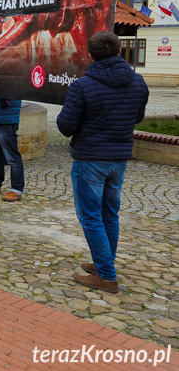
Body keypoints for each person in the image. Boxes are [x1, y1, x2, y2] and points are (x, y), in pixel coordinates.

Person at [57, 32, 148, 294]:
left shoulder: (82, 86)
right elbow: (137, 117)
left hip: (90, 159)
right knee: (110, 213)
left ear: (91, 55)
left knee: (91, 216)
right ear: (120, 52)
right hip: (118, 158)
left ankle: (107, 276)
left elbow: (65, 126)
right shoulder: (138, 82)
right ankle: (103, 263)